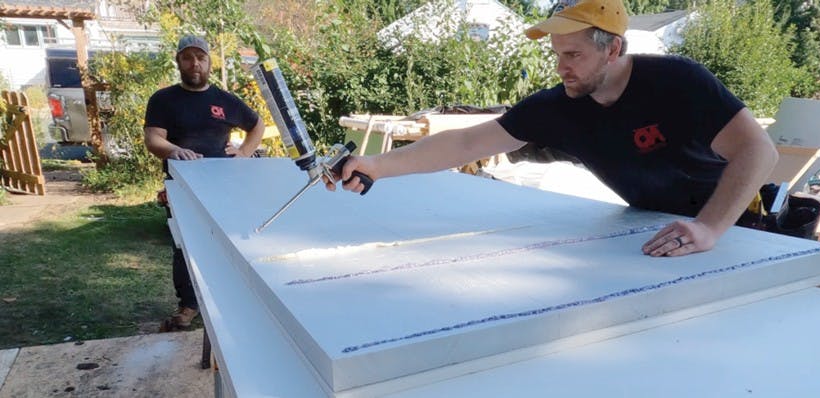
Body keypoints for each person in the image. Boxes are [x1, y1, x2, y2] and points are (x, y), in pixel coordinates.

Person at [328, 0, 778, 258]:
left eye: (573, 55)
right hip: (650, 234)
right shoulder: (561, 107)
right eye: (557, 55)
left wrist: (709, 228)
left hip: (737, 230)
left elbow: (759, 151)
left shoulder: (678, 82)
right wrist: (376, 165)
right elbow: (466, 142)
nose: (561, 68)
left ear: (613, 49)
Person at [144, 35, 265, 331]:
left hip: (224, 189)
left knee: (225, 242)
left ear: (210, 62)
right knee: (184, 246)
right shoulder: (163, 100)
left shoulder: (224, 100)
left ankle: (227, 299)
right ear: (178, 62)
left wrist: (244, 153)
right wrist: (174, 150)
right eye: (187, 57)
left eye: (200, 57)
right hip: (181, 188)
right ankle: (189, 306)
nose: (194, 63)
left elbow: (257, 124)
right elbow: (153, 138)